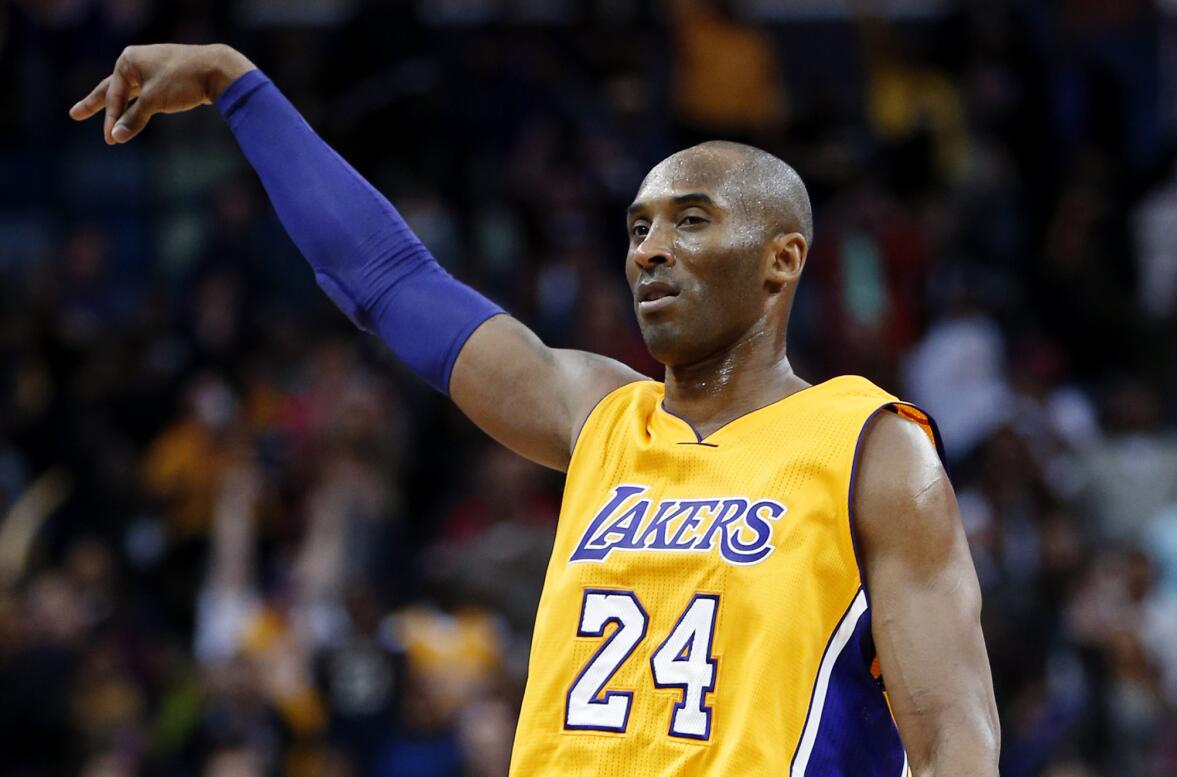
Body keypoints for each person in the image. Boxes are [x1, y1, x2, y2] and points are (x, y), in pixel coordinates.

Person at [71, 43, 1001, 775]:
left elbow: (955, 742)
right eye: (637, 227)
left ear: (783, 260)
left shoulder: (868, 446)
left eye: (691, 219)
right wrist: (240, 87)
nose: (648, 249)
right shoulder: (600, 415)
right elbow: (392, 283)